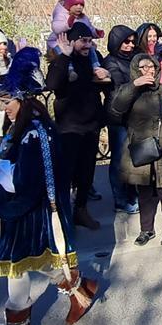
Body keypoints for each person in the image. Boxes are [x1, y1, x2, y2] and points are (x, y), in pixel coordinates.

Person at [0, 48, 99, 325]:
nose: (5, 109)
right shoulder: (23, 128)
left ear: (23, 100)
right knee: (31, 263)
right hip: (23, 210)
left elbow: (35, 179)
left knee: (18, 266)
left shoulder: (37, 133)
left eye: (7, 102)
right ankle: (79, 288)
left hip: (32, 212)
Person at [108, 53, 162, 246]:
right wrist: (134, 85)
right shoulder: (129, 90)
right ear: (136, 70)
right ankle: (146, 230)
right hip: (140, 148)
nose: (149, 70)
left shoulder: (161, 90)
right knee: (144, 194)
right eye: (144, 67)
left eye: (152, 67)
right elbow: (116, 108)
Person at [45, 22, 109, 230]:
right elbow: (52, 84)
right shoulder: (62, 60)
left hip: (91, 126)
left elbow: (105, 82)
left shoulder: (93, 60)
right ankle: (63, 216)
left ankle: (81, 210)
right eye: (83, 41)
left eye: (90, 41)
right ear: (72, 42)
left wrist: (105, 76)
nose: (87, 45)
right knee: (67, 173)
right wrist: (64, 56)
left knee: (86, 173)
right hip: (69, 128)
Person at [102, 25, 140, 214]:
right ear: (117, 42)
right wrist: (136, 83)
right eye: (126, 42)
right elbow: (118, 91)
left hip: (135, 115)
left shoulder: (134, 58)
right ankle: (120, 200)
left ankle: (132, 194)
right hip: (118, 117)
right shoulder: (110, 62)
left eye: (133, 42)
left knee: (132, 158)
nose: (130, 45)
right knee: (118, 160)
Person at [46, 0, 104, 70]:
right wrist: (67, 25)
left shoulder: (83, 17)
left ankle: (96, 66)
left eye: (81, 5)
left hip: (78, 42)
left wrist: (95, 33)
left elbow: (88, 28)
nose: (79, 7)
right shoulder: (61, 15)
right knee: (61, 51)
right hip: (59, 40)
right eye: (76, 5)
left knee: (91, 47)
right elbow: (56, 28)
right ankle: (69, 68)